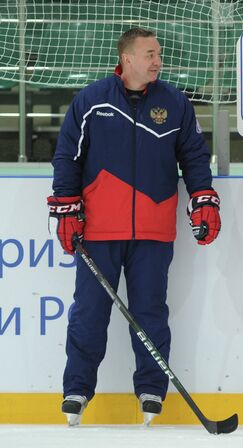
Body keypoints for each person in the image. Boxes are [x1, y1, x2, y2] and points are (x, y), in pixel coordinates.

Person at [47, 27, 221, 426]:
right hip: (99, 231)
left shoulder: (175, 102)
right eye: (149, 54)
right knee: (89, 313)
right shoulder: (91, 101)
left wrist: (204, 199)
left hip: (153, 230)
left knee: (150, 313)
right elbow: (67, 158)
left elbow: (194, 157)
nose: (157, 60)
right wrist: (66, 207)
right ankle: (76, 388)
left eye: (158, 53)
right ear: (127, 58)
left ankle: (151, 390)